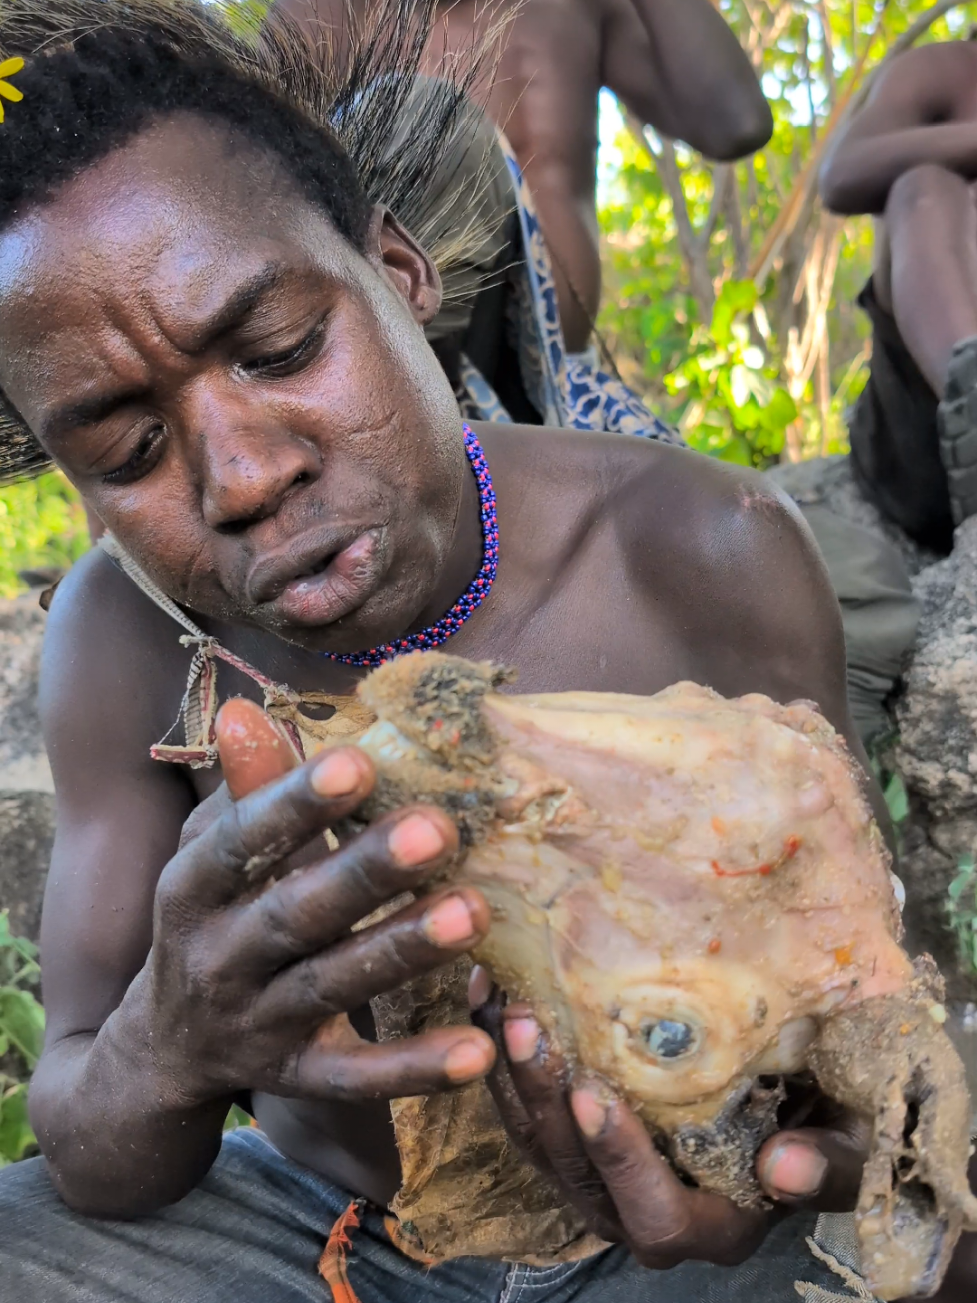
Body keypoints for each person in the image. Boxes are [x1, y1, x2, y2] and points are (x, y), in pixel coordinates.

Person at [0, 3, 969, 1301]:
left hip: (660, 1241)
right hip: (323, 1233)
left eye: (281, 349)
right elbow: (92, 1132)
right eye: (125, 449)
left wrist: (784, 1157)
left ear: (397, 274)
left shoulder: (696, 550)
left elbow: (844, 1006)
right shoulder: (126, 636)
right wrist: (166, 1049)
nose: (241, 474)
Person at [278, 0, 773, 353]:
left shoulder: (581, 9)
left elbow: (736, 125)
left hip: (551, 381)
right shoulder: (336, 9)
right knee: (427, 115)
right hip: (400, 355)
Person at [819, 37, 977, 556]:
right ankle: (970, 383)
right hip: (921, 438)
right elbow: (841, 174)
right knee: (924, 186)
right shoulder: (944, 70)